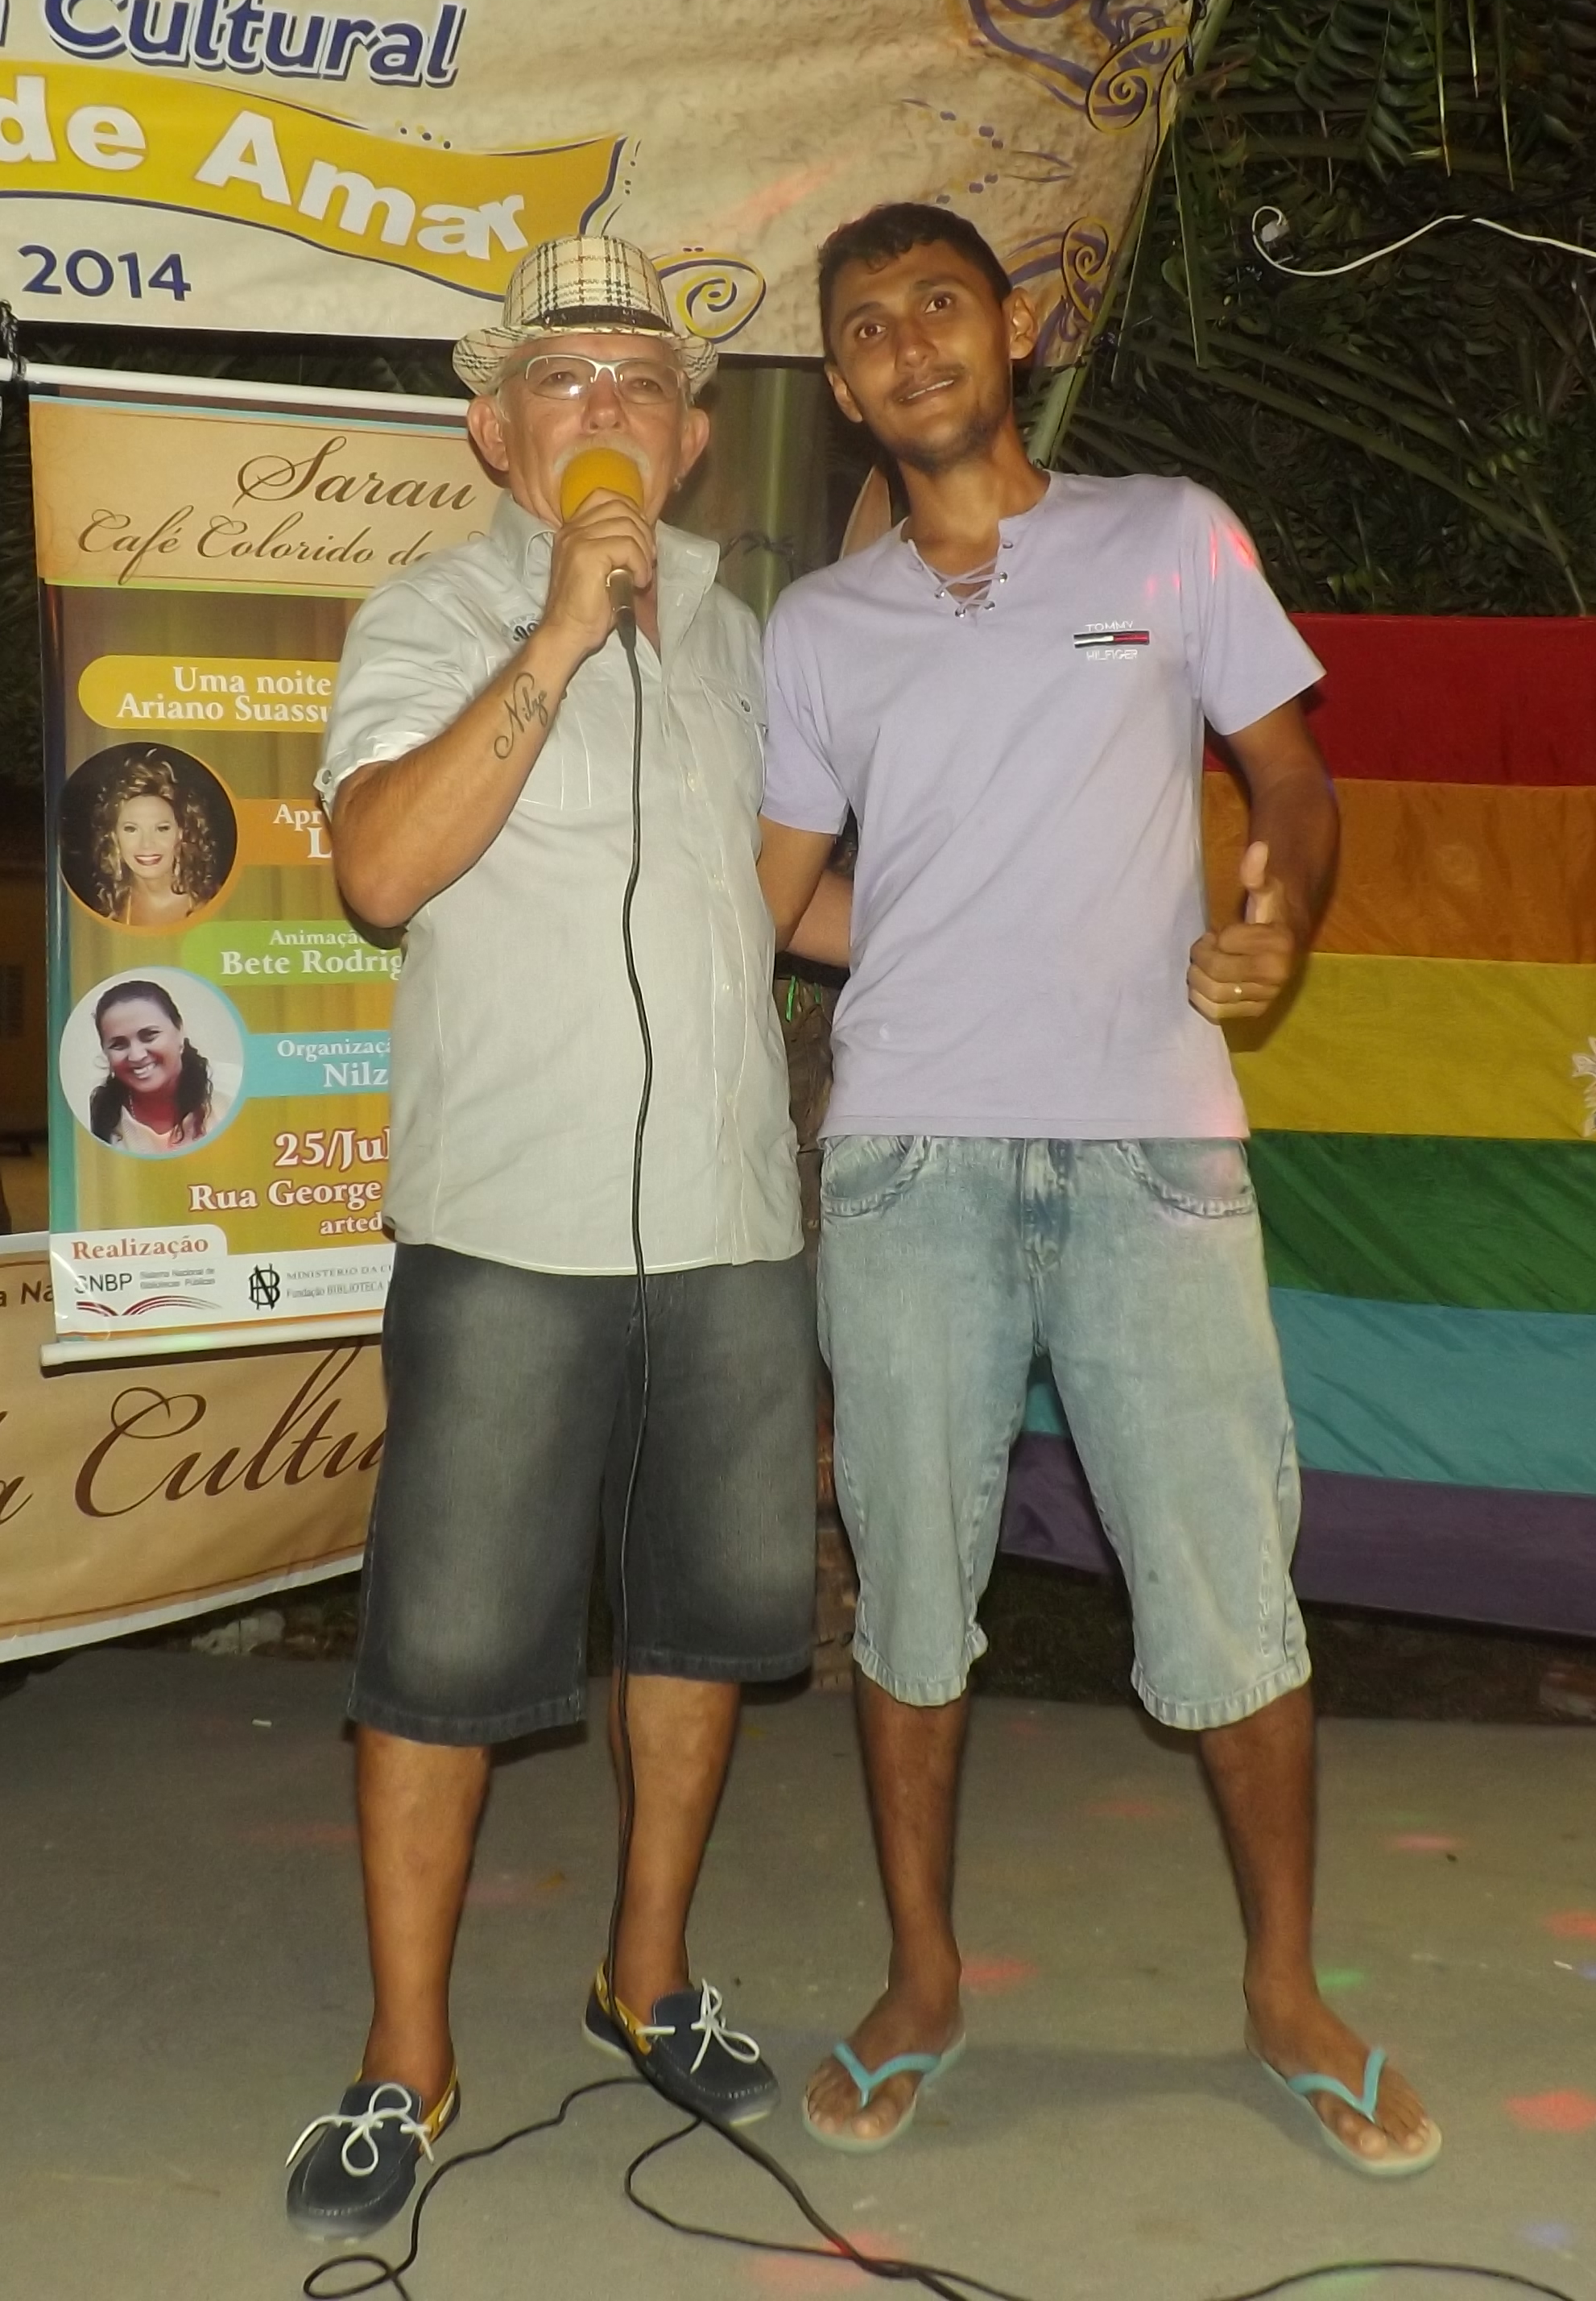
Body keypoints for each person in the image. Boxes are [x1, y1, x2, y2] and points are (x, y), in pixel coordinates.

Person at [755, 203, 1441, 2179]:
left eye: (936, 305)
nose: (904, 343)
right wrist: (912, 940)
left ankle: (1286, 1989)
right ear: (842, 384)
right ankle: (920, 1979)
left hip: (1152, 1144)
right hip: (909, 1157)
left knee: (1227, 1582)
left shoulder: (1168, 536)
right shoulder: (819, 628)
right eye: (862, 325)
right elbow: (767, 895)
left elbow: (1291, 779)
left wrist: (1278, 917)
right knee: (908, 1587)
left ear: (1014, 330)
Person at [282, 235, 839, 2241]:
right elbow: (378, 868)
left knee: (698, 1627)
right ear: (495, 434)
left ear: (688, 442)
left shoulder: (749, 639)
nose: (602, 406)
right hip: (505, 1222)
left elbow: (780, 900)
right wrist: (552, 631)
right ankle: (403, 2058)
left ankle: (647, 1979)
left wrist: (1028, 933)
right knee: (438, 1656)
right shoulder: (427, 612)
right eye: (561, 377)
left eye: (639, 381)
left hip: (722, 1219)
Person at [87, 749, 223, 929]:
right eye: (131, 829)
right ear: (114, 836)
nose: (147, 844)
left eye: (162, 829)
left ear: (181, 834)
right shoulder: (108, 908)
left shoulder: (217, 905)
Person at [85, 978, 211, 1153]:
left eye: (149, 1036)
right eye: (118, 1045)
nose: (137, 1056)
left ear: (180, 1030)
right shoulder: (104, 1119)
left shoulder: (228, 1093)